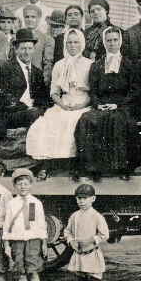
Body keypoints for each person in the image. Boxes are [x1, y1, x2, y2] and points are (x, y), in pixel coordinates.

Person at [25, 29, 92, 179]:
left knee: (72, 121)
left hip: (83, 102)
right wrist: (62, 104)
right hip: (64, 102)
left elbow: (93, 93)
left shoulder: (89, 64)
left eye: (76, 42)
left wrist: (79, 106)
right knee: (45, 123)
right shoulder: (59, 65)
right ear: (65, 44)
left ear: (82, 44)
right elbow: (54, 92)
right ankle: (46, 165)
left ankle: (75, 166)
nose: (72, 46)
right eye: (69, 42)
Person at [75, 26, 140, 181]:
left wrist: (118, 105)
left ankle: (122, 167)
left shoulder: (129, 64)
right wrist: (98, 104)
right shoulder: (96, 65)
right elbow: (93, 91)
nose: (112, 43)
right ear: (104, 43)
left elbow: (134, 91)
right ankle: (93, 167)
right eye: (108, 40)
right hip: (102, 105)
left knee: (117, 120)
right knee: (86, 120)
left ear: (120, 42)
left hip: (122, 106)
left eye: (115, 40)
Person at [0, 29, 49, 139]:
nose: (27, 52)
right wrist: (26, 107)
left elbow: (42, 97)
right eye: (23, 49)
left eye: (30, 48)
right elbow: (2, 98)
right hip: (11, 113)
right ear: (16, 50)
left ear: (34, 49)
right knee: (34, 115)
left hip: (32, 112)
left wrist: (41, 108)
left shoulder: (37, 72)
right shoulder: (5, 69)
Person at [3, 168, 48, 281]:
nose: (23, 186)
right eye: (20, 184)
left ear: (31, 185)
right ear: (15, 186)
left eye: (26, 183)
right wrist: (6, 245)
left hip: (33, 241)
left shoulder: (37, 203)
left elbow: (41, 224)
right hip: (17, 241)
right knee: (21, 273)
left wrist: (44, 243)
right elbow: (7, 224)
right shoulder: (11, 204)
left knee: (33, 272)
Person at [64, 184, 110, 281]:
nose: (82, 201)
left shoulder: (97, 216)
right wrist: (71, 241)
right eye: (79, 198)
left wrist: (91, 240)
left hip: (92, 254)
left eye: (85, 198)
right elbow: (67, 231)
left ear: (93, 199)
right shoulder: (75, 216)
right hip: (79, 255)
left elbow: (104, 234)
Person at [22, 4, 55, 84]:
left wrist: (44, 82)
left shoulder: (47, 39)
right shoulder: (16, 37)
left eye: (33, 17)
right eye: (27, 17)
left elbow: (48, 63)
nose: (30, 20)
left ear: (39, 18)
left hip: (36, 79)